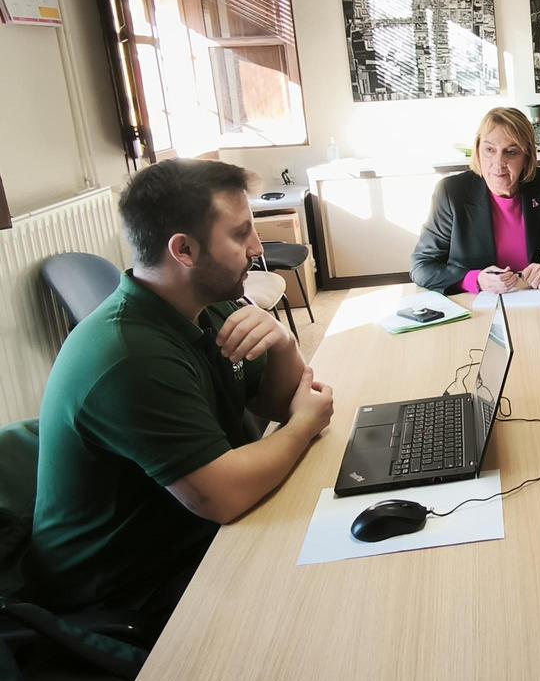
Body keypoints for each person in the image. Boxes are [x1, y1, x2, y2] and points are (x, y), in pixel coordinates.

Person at [25, 159, 334, 636]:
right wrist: (302, 427)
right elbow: (224, 496)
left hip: (188, 540)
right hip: (123, 597)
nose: (256, 248)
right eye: (240, 235)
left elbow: (280, 400)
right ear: (184, 250)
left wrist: (284, 343)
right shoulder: (129, 356)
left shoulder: (207, 302)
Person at [411, 106, 540, 293]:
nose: (498, 163)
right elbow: (422, 266)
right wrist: (474, 279)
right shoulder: (452, 192)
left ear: (527, 157)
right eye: (489, 150)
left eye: (511, 152)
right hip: (477, 309)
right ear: (478, 150)